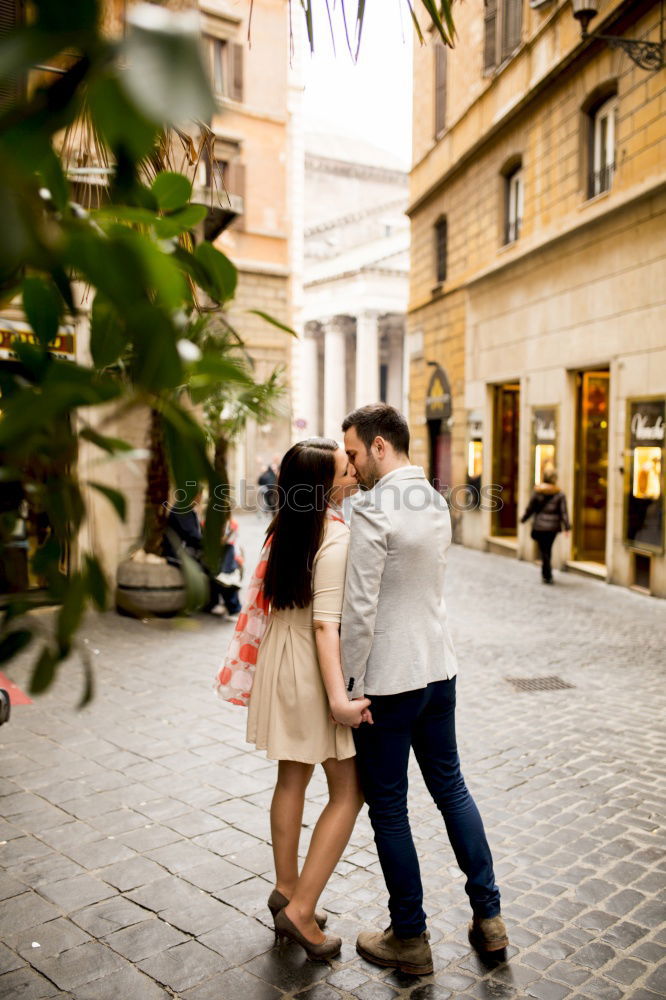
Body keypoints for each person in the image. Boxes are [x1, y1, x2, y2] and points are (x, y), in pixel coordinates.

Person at [341, 404, 507, 976]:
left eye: (356, 454)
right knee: (452, 789)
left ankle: (409, 938)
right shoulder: (434, 501)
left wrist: (348, 684)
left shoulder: (370, 508)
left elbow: (360, 608)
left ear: (380, 446)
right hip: (440, 668)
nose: (352, 465)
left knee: (389, 808)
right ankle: (489, 918)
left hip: (389, 679)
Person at [216, 438, 371, 961]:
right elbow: (326, 625)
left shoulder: (288, 527)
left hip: (282, 658)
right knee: (349, 791)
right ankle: (301, 911)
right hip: (310, 666)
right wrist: (339, 701)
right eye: (344, 467)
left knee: (291, 777)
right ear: (322, 485)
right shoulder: (335, 535)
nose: (353, 470)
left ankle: (286, 889)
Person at [520, 469, 570, 584]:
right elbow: (564, 512)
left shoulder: (538, 492)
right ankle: (547, 573)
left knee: (544, 550)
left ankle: (547, 574)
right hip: (553, 527)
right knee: (548, 549)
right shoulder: (560, 494)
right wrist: (566, 527)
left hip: (540, 526)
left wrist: (524, 519)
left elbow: (530, 509)